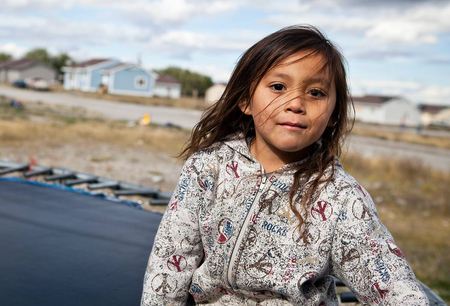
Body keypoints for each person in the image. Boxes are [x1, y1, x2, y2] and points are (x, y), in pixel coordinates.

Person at [141, 25, 429, 305]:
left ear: (333, 113)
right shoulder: (207, 168)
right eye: (278, 87)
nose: (296, 103)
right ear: (245, 99)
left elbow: (392, 285)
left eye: (316, 93)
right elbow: (171, 257)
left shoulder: (339, 198)